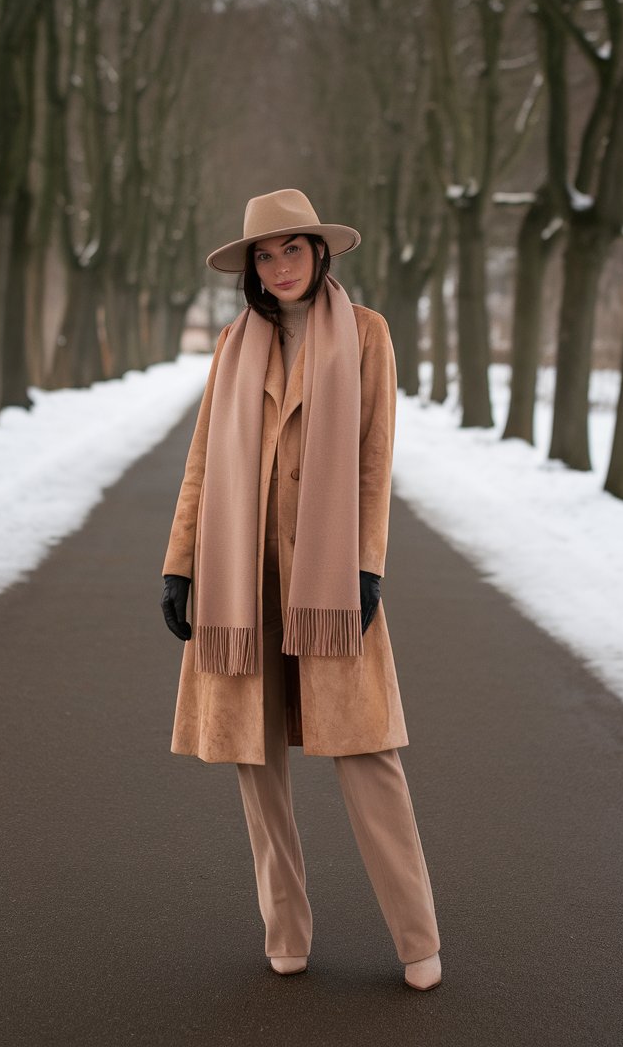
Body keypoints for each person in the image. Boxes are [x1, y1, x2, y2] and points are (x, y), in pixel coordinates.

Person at [161, 188, 441, 989]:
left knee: (367, 751)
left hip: (325, 570)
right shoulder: (232, 344)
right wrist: (180, 565)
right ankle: (285, 927)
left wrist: (366, 564)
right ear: (250, 266)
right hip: (241, 574)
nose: (279, 266)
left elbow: (372, 456)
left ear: (321, 252)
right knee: (257, 763)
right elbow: (202, 461)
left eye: (293, 249)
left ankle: (417, 940)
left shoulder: (366, 335)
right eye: (264, 253)